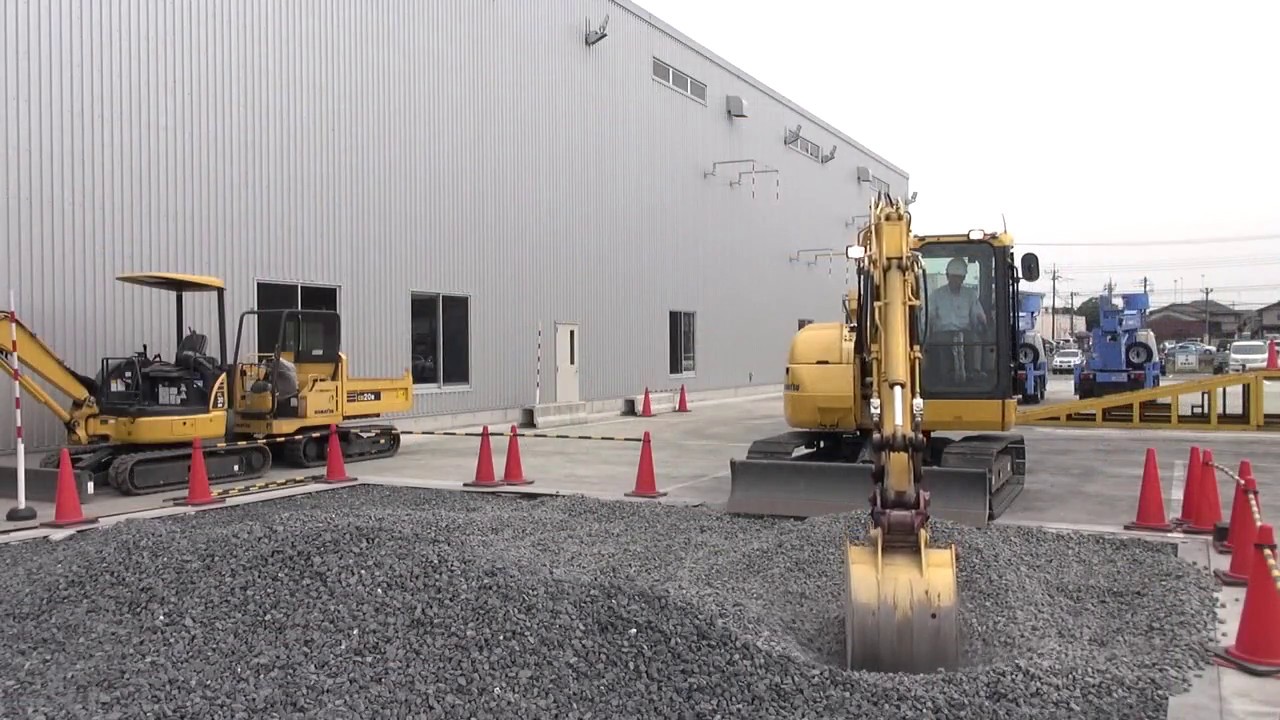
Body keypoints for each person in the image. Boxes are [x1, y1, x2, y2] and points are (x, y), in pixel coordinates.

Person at [926, 257, 989, 383]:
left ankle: (975, 371)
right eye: (953, 276)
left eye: (959, 277)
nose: (956, 280)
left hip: (965, 333)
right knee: (935, 345)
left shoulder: (970, 295)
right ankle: (940, 376)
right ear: (947, 275)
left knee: (976, 340)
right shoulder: (936, 295)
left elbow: (977, 315)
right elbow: (928, 316)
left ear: (964, 278)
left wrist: (982, 322)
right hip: (942, 333)